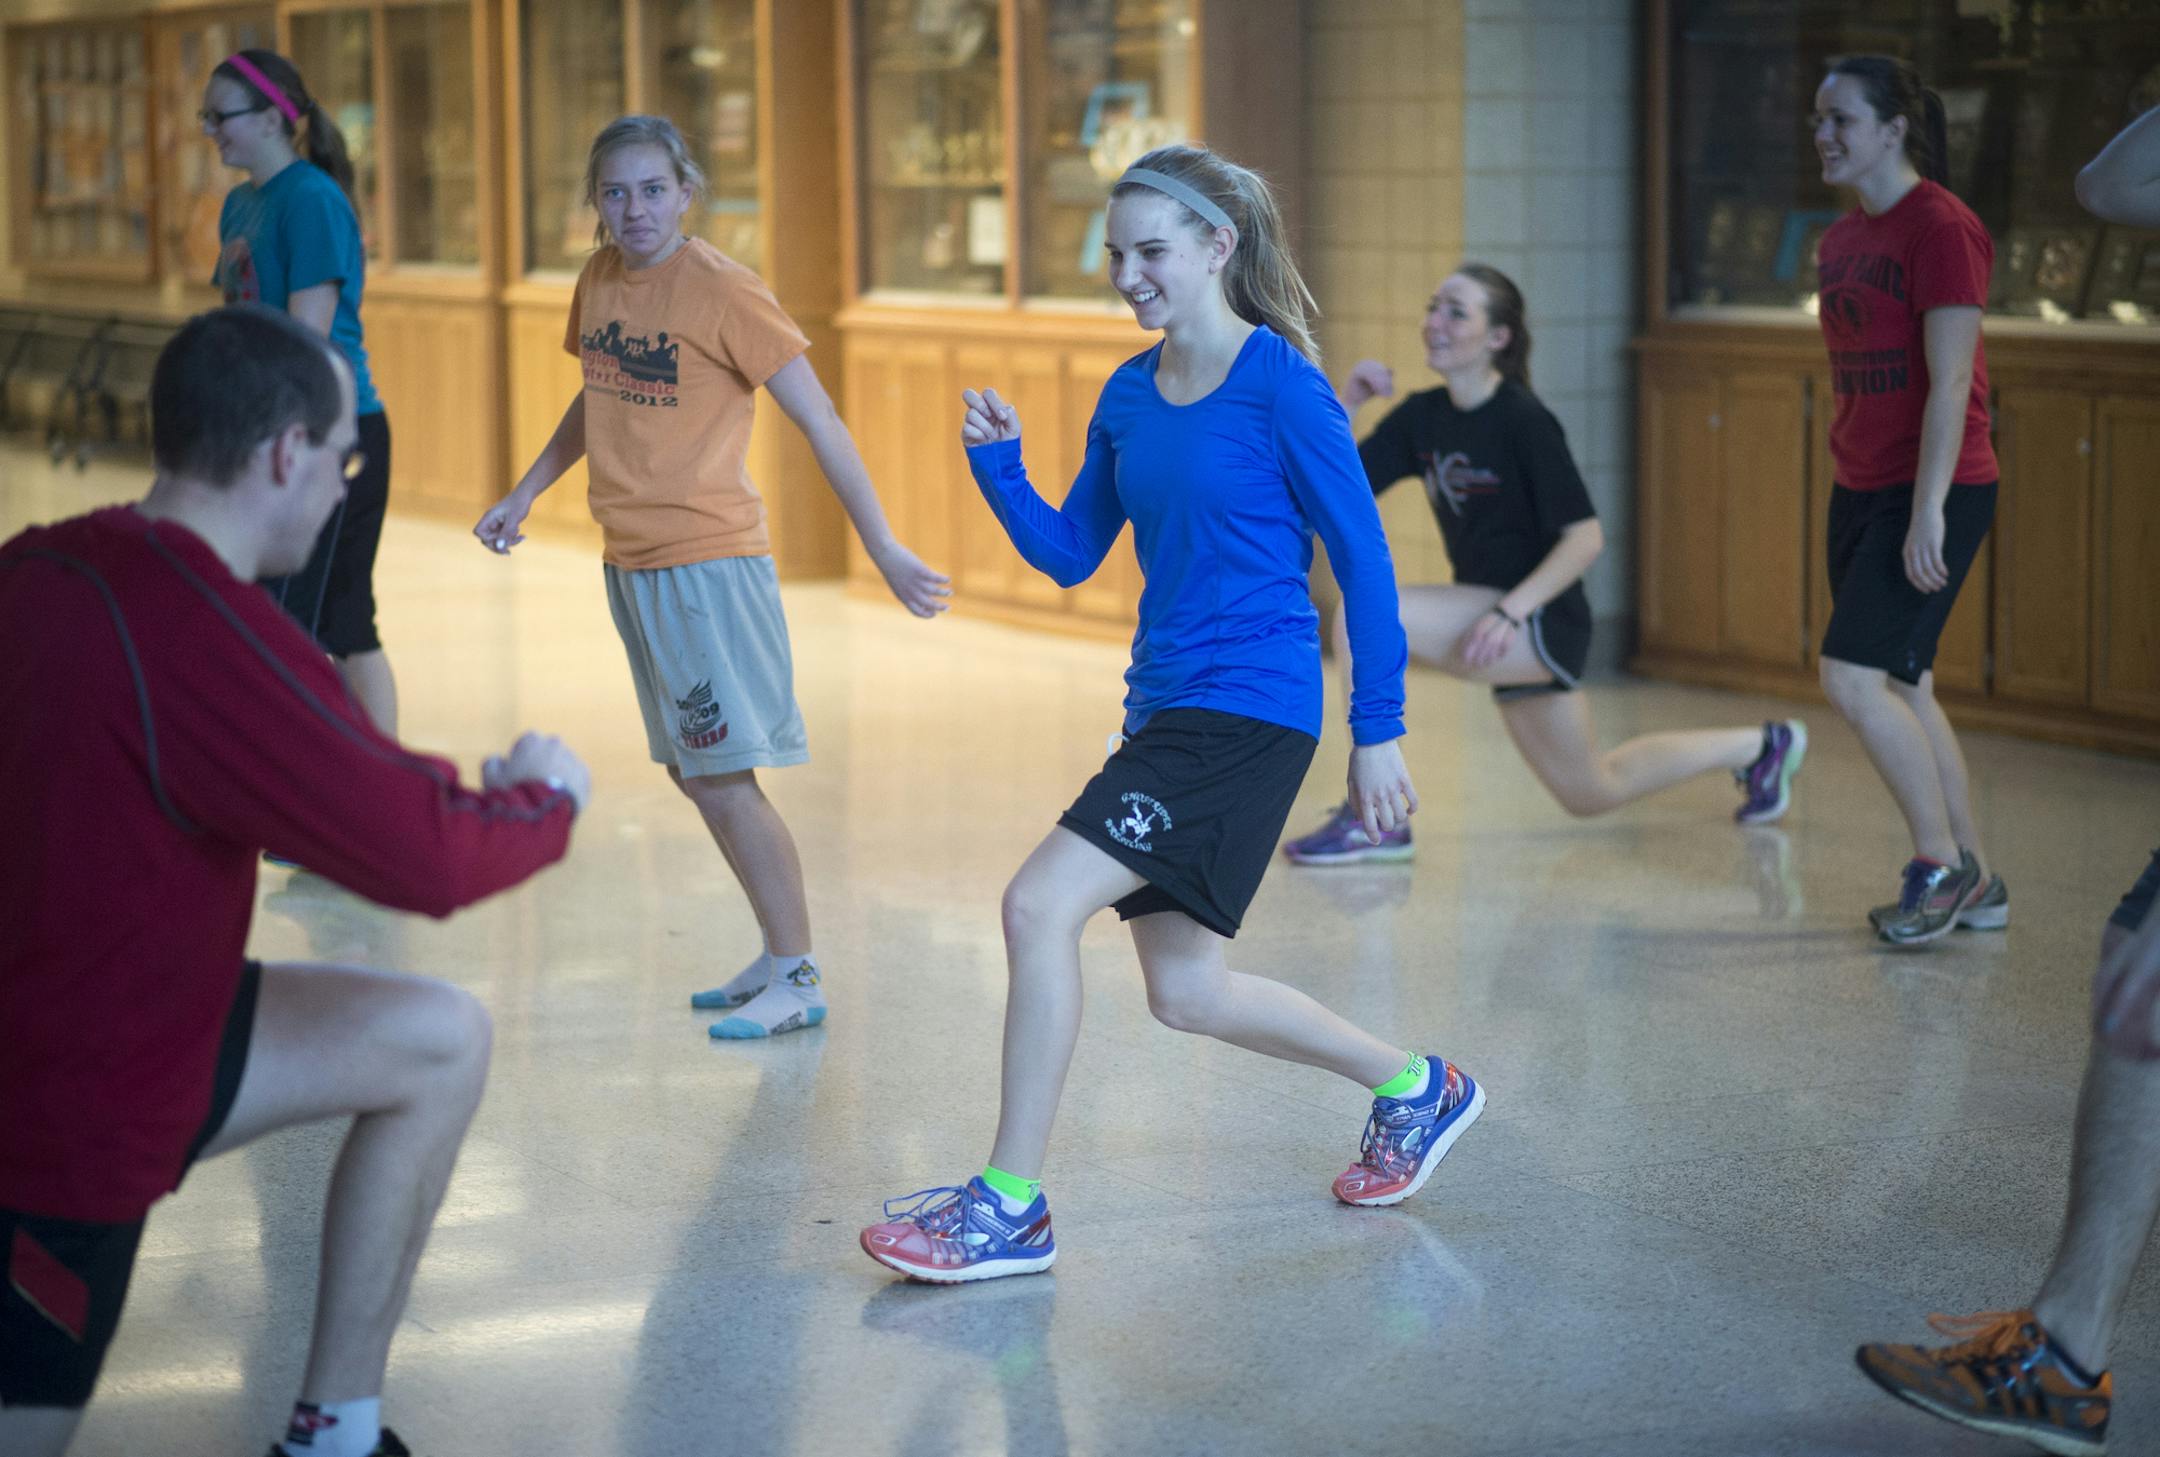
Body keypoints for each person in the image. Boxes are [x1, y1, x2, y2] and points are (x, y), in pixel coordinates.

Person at [857, 144, 1482, 1285]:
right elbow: (1070, 550)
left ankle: (1009, 1202)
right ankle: (1417, 1085)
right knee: (1186, 992)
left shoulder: (1284, 385)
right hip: (1166, 708)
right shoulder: (1130, 392)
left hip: (1249, 709)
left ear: (1215, 246)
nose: (1128, 273)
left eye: (1151, 249)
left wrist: (1376, 727)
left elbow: (1367, 561)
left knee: (1037, 902)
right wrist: (1000, 469)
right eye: (1116, 253)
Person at [0, 305, 589, 1457]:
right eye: (339, 459)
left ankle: (335, 1428)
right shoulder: (212, 631)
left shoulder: (42, 558)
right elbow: (425, 852)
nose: (338, 490)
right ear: (284, 455)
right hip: (68, 1103)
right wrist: (546, 795)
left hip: (138, 1004)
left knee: (437, 1036)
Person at [475, 115, 949, 1039]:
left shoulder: (725, 290)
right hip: (633, 560)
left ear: (686, 191)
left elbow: (821, 422)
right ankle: (777, 952)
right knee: (698, 774)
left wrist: (884, 546)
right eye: (615, 192)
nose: (635, 208)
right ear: (595, 202)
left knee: (725, 774)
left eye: (653, 189)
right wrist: (526, 491)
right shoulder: (600, 278)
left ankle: (801, 972)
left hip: (709, 564)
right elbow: (596, 395)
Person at [1853, 105, 2160, 1457]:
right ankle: (2068, 1352)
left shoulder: (1942, 228)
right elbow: (2111, 176)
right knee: (2136, 972)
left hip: (1930, 482)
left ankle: (2069, 1350)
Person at [1280, 264, 1806, 866]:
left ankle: (1375, 813)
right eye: (1434, 307)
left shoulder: (1523, 420)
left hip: (1540, 618)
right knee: (1591, 790)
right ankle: (1761, 745)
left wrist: (1510, 612)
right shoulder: (1423, 418)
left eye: (1456, 312)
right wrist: (1347, 400)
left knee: (1361, 616)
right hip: (1493, 616)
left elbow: (1585, 538)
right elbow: (1332, 487)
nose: (1435, 323)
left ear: (1498, 337)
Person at [1808, 55, 2005, 947]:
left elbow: (1953, 380)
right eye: (1819, 120)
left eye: (1841, 119)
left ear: (1894, 128)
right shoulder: (1841, 239)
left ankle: (1940, 866)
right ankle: (1981, 878)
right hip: (1860, 487)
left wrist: (1926, 511)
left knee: (1851, 674)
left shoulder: (1944, 228)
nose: (1823, 135)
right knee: (1902, 680)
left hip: (1935, 487)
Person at [207, 48, 398, 738]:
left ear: (268, 118)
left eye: (220, 116)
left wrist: (268, 446)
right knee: (334, 618)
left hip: (328, 432)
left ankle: (361, 795)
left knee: (306, 621)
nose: (211, 130)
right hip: (278, 429)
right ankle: (374, 797)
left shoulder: (313, 200)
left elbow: (306, 344)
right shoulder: (241, 204)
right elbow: (238, 321)